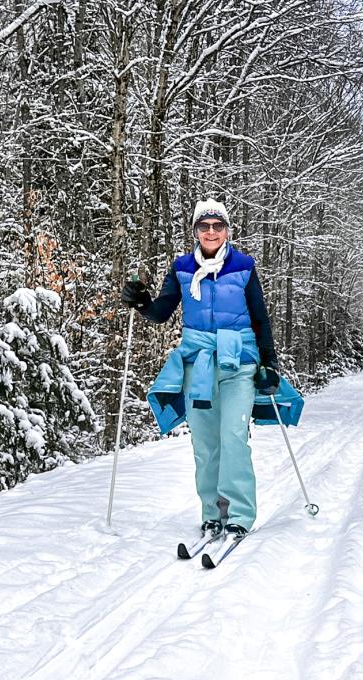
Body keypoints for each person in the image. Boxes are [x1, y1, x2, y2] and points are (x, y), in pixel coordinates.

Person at [120, 200, 282, 543]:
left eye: (217, 225)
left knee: (234, 437)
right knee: (206, 443)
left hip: (239, 362)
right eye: (204, 225)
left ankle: (238, 514)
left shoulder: (243, 266)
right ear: (195, 230)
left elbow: (260, 317)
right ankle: (212, 514)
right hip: (198, 363)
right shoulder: (181, 267)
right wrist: (141, 302)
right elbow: (162, 311)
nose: (211, 231)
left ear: (227, 230)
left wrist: (269, 362)